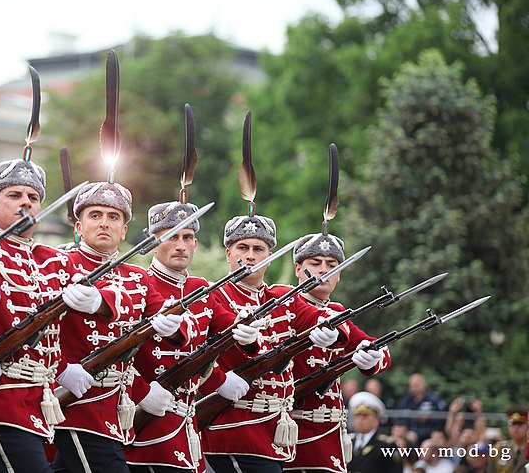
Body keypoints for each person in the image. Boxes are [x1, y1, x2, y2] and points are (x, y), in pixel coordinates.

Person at [0, 154, 118, 472]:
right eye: (14, 195)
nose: (25, 203)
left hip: (35, 399)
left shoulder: (51, 258)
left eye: (33, 197)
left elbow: (109, 288)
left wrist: (98, 300)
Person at [52, 181, 186, 473]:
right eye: (95, 215)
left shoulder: (138, 276)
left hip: (113, 406)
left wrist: (171, 323)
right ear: (78, 225)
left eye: (114, 217)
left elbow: (170, 326)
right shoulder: (60, 264)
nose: (104, 223)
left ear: (124, 230)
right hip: (75, 403)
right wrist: (61, 369)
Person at [199, 214, 349, 473]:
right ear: (228, 253)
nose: (250, 256)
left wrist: (334, 331)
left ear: (270, 255)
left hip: (273, 433)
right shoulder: (215, 295)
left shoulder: (282, 297)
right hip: (234, 429)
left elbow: (323, 315)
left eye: (259, 249)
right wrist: (220, 382)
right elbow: (192, 356)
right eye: (242, 248)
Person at [125, 201, 264, 472]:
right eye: (171, 236)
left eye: (187, 237)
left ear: (196, 244)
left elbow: (230, 332)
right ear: (153, 243)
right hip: (146, 424)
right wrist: (141, 393)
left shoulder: (200, 288)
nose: (181, 245)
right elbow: (114, 352)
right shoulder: (138, 282)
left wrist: (248, 334)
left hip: (186, 427)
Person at [284, 232, 391, 473]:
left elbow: (373, 347)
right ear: (298, 269)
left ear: (339, 274)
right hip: (293, 432)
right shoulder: (286, 306)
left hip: (331, 434)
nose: (324, 270)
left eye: (332, 265)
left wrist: (373, 354)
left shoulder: (337, 311)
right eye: (315, 263)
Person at [346, 391, 402, 473]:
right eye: (358, 415)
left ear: (377, 420)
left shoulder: (387, 445)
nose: (360, 419)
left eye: (365, 415)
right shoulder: (348, 441)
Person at [394, 372, 447, 442]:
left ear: (424, 384)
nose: (414, 388)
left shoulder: (434, 400)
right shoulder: (405, 401)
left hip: (431, 433)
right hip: (411, 432)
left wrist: (428, 418)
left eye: (417, 384)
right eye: (412, 385)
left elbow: (442, 418)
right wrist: (413, 417)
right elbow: (399, 418)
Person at [487, 406, 528, 473]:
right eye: (512, 424)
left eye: (520, 424)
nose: (516, 428)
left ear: (527, 426)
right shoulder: (498, 449)